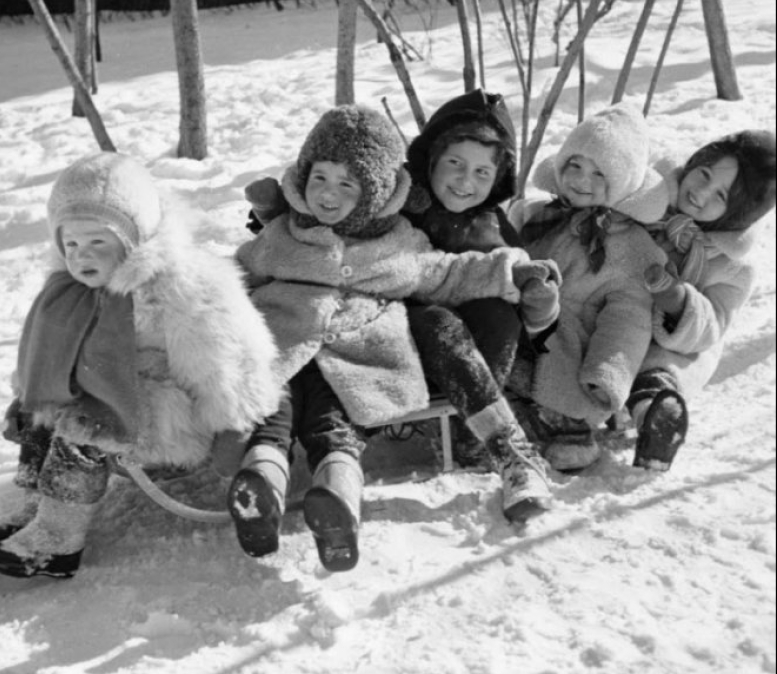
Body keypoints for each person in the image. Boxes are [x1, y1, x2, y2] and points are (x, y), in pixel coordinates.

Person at [229, 104, 541, 572]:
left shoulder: (398, 242)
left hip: (359, 357)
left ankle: (339, 500)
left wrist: (508, 269)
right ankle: (261, 486)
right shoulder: (281, 234)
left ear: (374, 191)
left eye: (348, 183)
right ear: (302, 176)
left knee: (337, 424)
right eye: (320, 178)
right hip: (284, 346)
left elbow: (448, 272)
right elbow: (239, 273)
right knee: (271, 407)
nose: (329, 195)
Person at [0, 152, 281, 579]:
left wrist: (233, 428)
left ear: (136, 237)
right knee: (44, 408)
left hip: (167, 415)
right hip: (108, 393)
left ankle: (57, 540)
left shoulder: (185, 285)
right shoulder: (68, 287)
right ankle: (36, 505)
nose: (82, 257)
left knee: (81, 425)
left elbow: (230, 360)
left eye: (98, 242)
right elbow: (46, 353)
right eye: (72, 244)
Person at [400, 88, 560, 521]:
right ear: (431, 159)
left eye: (482, 172)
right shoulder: (401, 202)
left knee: (498, 318)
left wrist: (537, 302)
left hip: (467, 349)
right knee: (437, 322)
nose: (465, 181)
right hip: (400, 329)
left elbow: (527, 300)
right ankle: (509, 448)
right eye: (455, 163)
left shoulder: (492, 224)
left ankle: (471, 433)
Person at [508, 103, 670, 471]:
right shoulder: (538, 215)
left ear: (623, 182)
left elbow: (627, 319)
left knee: (558, 386)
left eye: (600, 174)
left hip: (570, 344)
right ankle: (508, 416)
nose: (582, 180)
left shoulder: (632, 249)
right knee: (496, 356)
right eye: (575, 166)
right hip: (519, 319)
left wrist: (607, 373)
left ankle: (570, 429)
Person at [627, 130, 776, 471]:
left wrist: (678, 301)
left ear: (739, 213)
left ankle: (653, 418)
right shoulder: (646, 195)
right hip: (612, 311)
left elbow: (712, 326)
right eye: (704, 175)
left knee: (657, 369)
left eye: (721, 195)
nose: (701, 193)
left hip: (670, 344)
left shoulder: (732, 265)